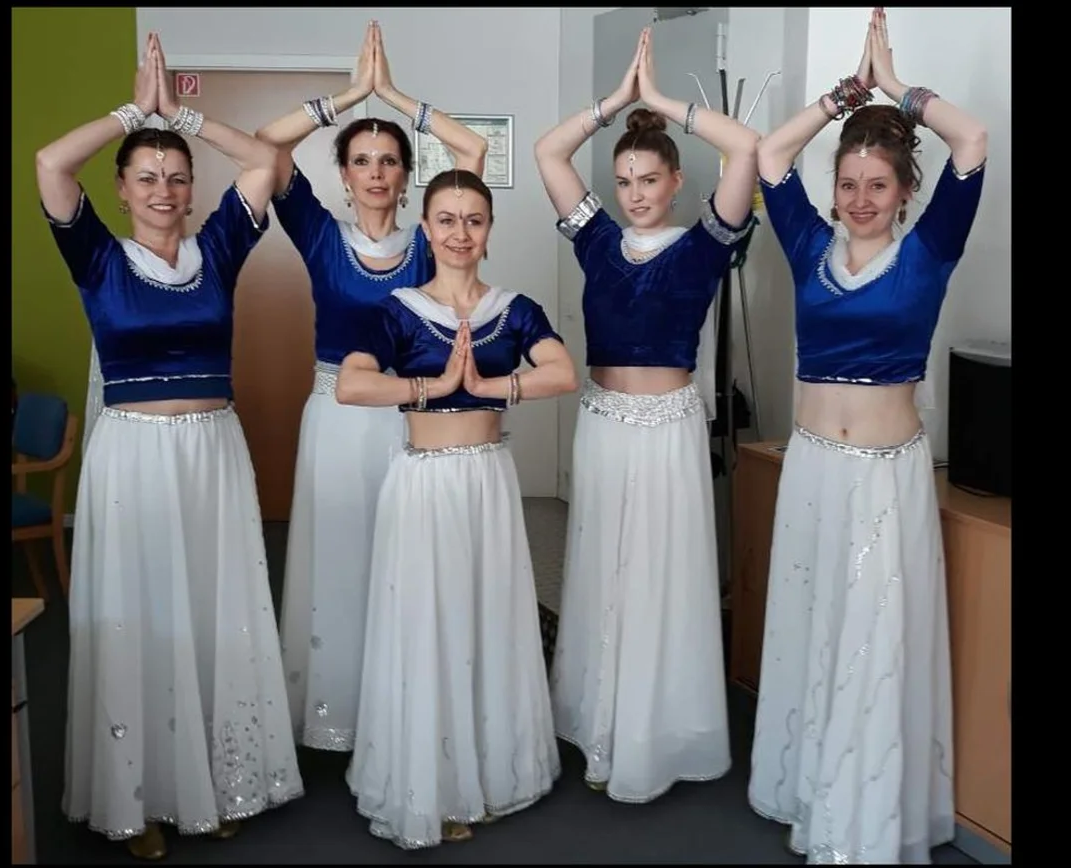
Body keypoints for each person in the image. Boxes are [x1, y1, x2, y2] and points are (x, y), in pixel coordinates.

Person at [36, 33, 304, 860]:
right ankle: (140, 792)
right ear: (119, 191)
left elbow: (264, 163)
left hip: (212, 454)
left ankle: (215, 779)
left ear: (194, 190)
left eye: (177, 176)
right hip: (133, 459)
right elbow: (50, 163)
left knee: (213, 615)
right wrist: (130, 113)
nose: (163, 189)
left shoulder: (218, 248)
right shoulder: (97, 259)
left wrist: (181, 113)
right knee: (141, 620)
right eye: (146, 177)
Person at [746, 9, 988, 863]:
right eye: (847, 183)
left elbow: (973, 140)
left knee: (874, 633)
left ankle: (869, 805)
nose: (857, 199)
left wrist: (898, 92)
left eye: (876, 186)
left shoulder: (932, 251)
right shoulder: (809, 239)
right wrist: (843, 94)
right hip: (813, 466)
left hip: (887, 476)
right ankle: (808, 781)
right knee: (817, 623)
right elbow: (770, 157)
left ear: (903, 192)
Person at [534, 27, 759, 803]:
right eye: (623, 179)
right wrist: (612, 104)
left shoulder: (704, 246)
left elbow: (750, 149)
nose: (633, 192)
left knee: (661, 574)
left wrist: (663, 102)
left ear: (673, 182)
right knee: (605, 567)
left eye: (647, 179)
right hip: (601, 423)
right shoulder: (596, 240)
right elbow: (547, 154)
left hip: (667, 427)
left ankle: (658, 725)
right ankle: (601, 716)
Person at [254, 20, 488, 755]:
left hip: (413, 413)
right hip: (335, 414)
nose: (377, 172)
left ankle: (405, 711)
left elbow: (473, 153)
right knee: (342, 558)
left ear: (405, 173)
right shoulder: (319, 234)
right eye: (362, 160)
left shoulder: (430, 238)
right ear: (345, 173)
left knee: (408, 562)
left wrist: (398, 98)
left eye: (389, 160)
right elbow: (268, 146)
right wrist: (350, 95)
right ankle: (339, 716)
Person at [336, 168, 576, 849]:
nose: (460, 233)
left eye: (473, 220)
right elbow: (351, 386)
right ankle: (433, 779)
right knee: (429, 619)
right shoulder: (397, 308)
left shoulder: (515, 307)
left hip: (487, 480)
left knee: (487, 615)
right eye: (446, 219)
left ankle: (490, 769)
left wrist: (491, 385)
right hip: (424, 482)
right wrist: (427, 387)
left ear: (489, 231)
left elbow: (563, 372)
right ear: (427, 229)